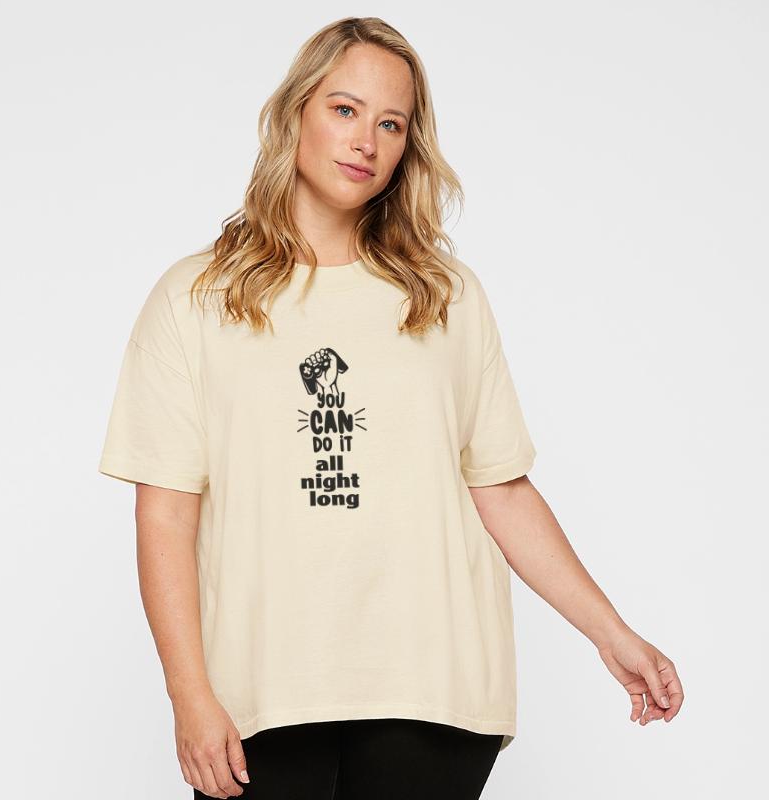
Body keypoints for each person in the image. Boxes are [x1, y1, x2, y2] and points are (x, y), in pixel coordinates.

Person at [98, 16, 684, 800]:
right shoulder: (197, 298)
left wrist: (613, 636)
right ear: (297, 112)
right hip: (260, 693)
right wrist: (188, 694)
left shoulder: (444, 296)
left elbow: (502, 490)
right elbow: (166, 512)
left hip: (433, 689)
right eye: (344, 109)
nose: (365, 141)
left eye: (390, 124)